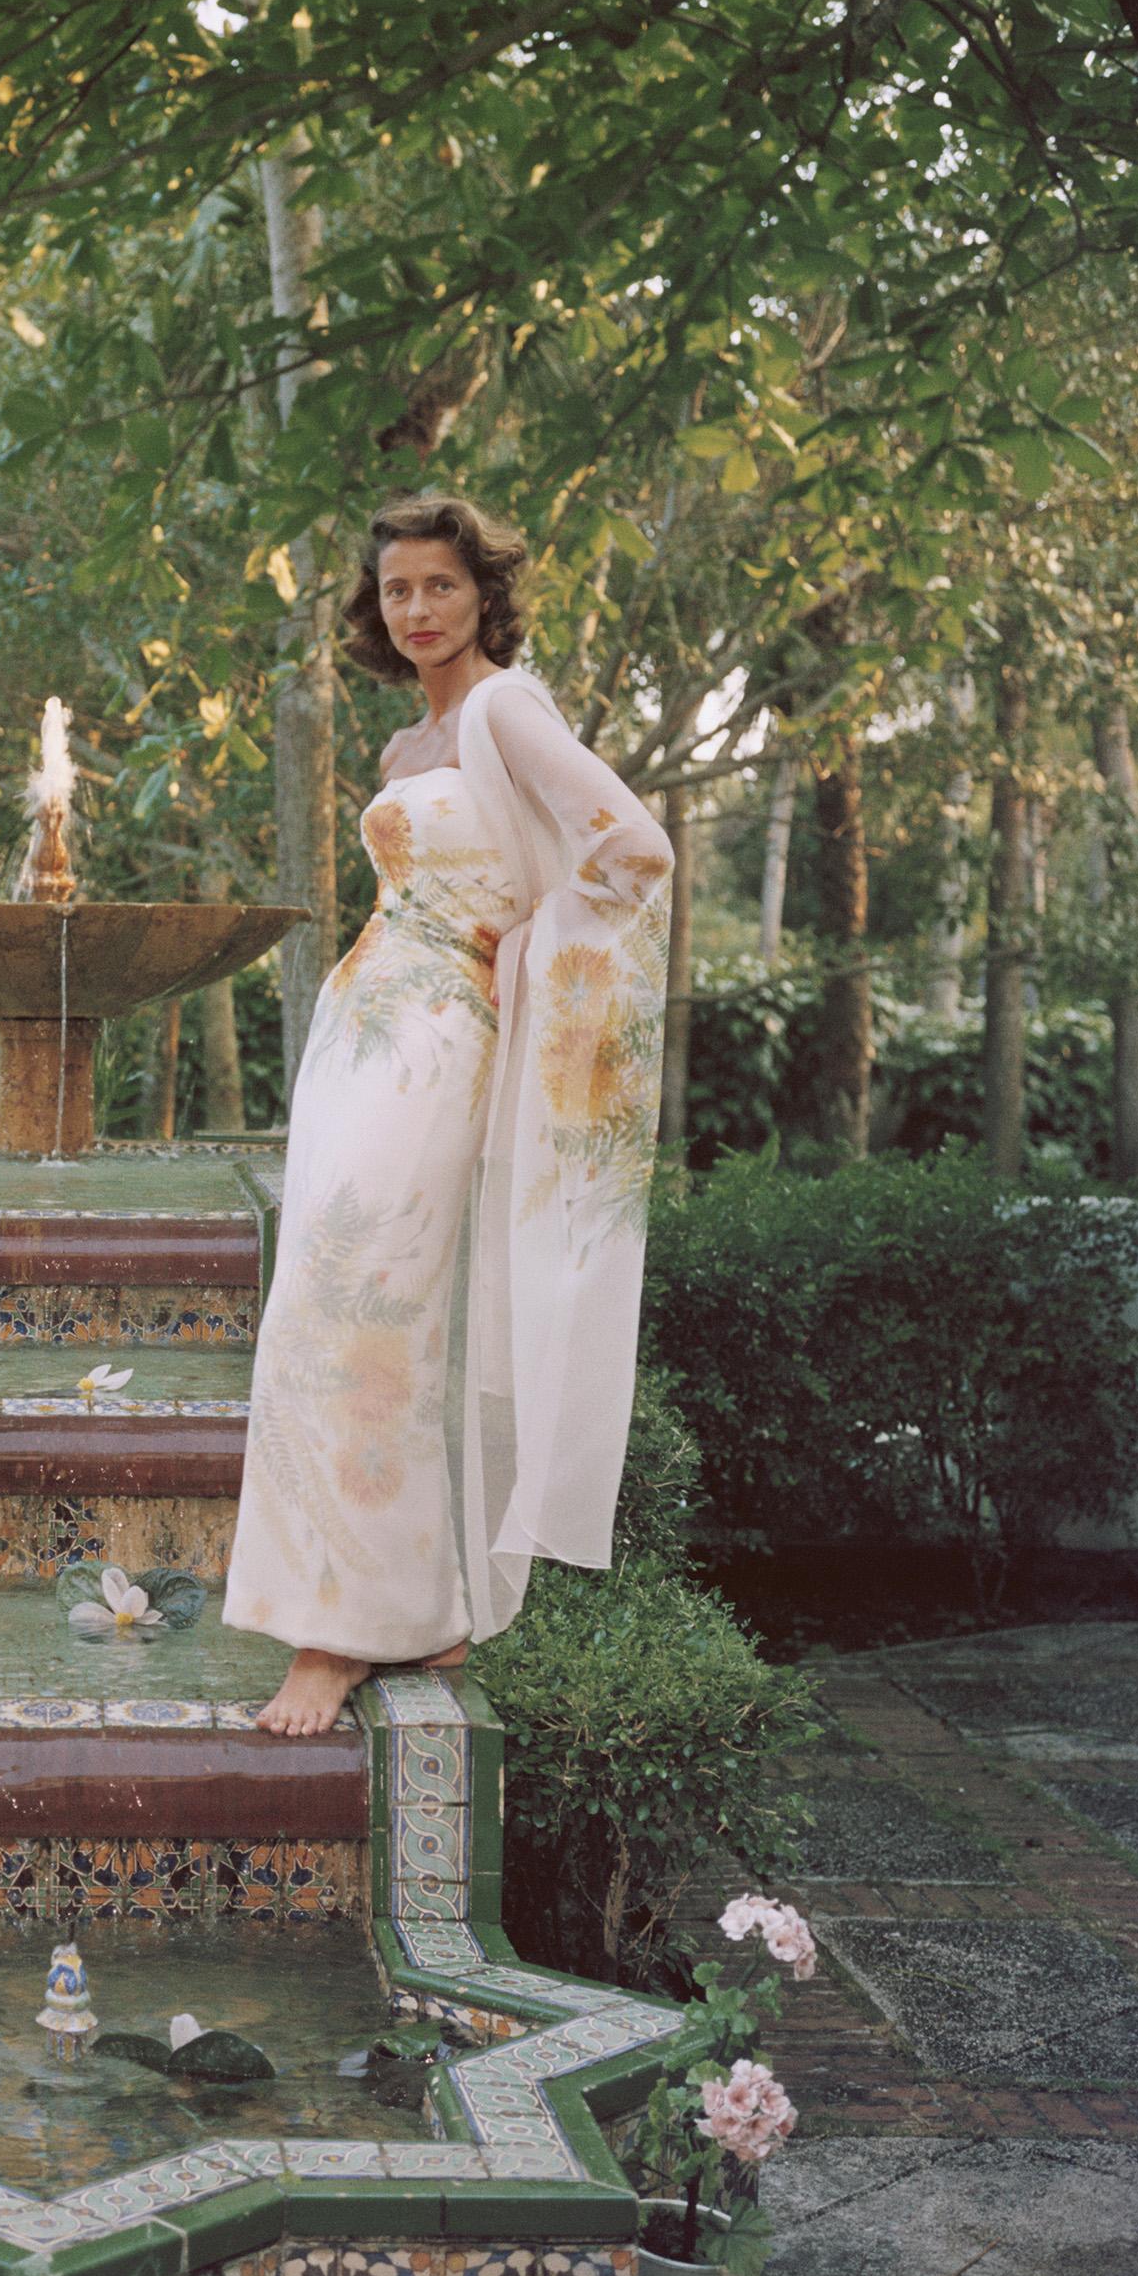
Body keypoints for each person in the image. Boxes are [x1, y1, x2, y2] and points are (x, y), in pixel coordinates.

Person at [225, 492, 676, 1736]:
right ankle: (414, 1609)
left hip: (437, 1043)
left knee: (347, 1311)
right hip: (362, 1038)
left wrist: (520, 952)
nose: (416, 609)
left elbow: (633, 851)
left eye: (439, 585)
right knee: (356, 1313)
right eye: (395, 591)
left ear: (483, 594)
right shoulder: (402, 748)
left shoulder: (501, 710)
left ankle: (337, 1635)